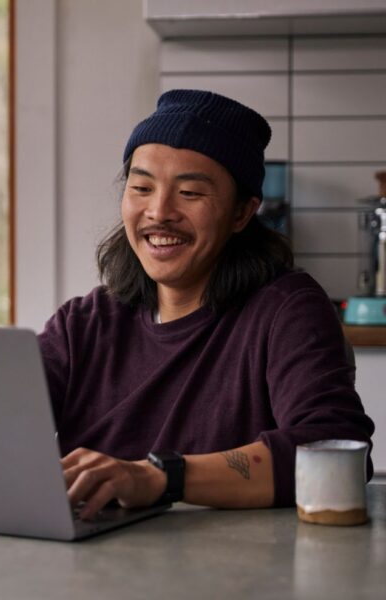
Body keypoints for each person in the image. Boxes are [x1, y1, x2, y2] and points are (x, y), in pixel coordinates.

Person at [38, 89, 375, 520]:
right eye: (141, 187)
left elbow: (335, 451)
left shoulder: (287, 310)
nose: (159, 212)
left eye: (191, 193)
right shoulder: (82, 325)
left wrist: (160, 477)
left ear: (242, 213)